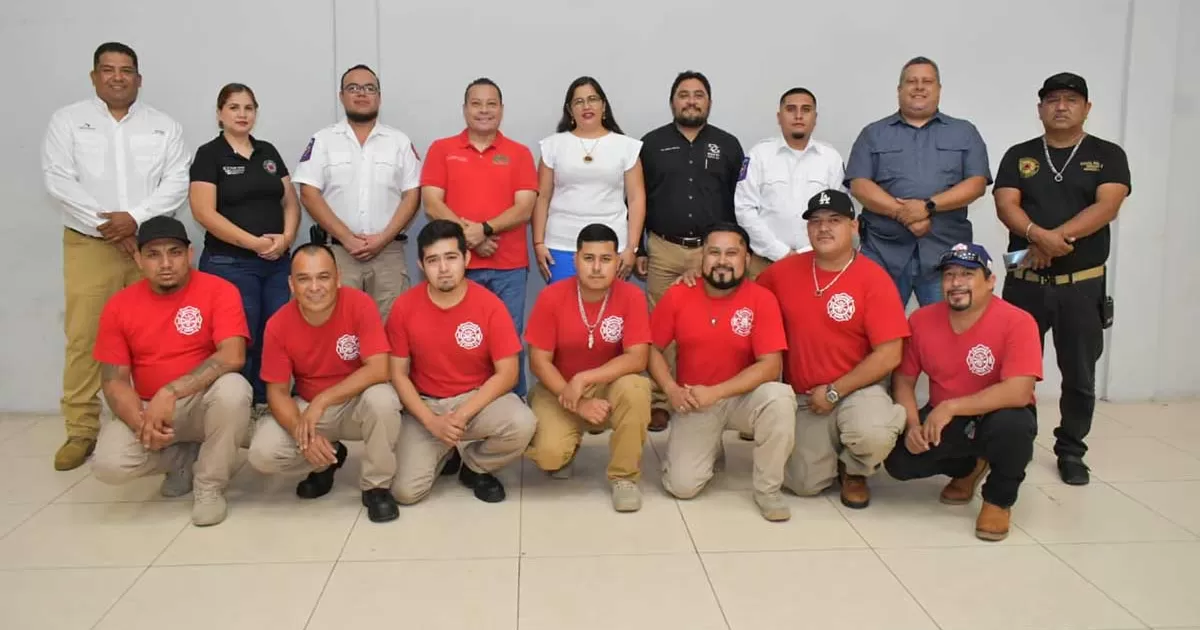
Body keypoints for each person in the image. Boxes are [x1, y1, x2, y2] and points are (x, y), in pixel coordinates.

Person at [42, 41, 190, 470]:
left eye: (126, 70)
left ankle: (160, 421)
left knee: (159, 336)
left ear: (138, 78)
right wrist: (111, 225)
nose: (118, 77)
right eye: (108, 70)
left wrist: (136, 220)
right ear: (94, 77)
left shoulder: (163, 126)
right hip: (90, 244)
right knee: (86, 336)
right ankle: (81, 429)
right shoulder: (68, 121)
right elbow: (58, 180)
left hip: (150, 246)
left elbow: (176, 182)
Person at [993, 72, 1131, 485]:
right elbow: (1005, 204)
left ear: (1086, 108)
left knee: (1080, 375)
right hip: (1024, 284)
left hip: (1082, 286)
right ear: (1040, 109)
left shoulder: (1108, 154)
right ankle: (1015, 443)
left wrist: (1056, 239)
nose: (1061, 106)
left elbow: (1108, 205)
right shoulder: (1019, 155)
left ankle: (1071, 449)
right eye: (1052, 99)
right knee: (1014, 372)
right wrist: (1037, 236)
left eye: (1071, 99)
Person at [91, 216, 252, 526]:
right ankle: (182, 460)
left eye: (174, 252)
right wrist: (141, 423)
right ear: (137, 259)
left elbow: (233, 355)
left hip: (201, 402)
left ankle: (209, 487)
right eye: (153, 254)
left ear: (189, 254)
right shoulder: (119, 305)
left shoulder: (219, 290)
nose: (165, 263)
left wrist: (171, 391)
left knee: (234, 389)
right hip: (150, 407)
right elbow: (113, 380)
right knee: (108, 465)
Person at [757, 190, 909, 509]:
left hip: (857, 390)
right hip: (805, 397)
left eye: (835, 221)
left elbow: (890, 354)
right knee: (803, 485)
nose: (823, 228)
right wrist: (697, 278)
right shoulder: (783, 273)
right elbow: (742, 298)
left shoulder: (874, 279)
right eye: (815, 222)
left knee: (873, 434)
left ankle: (856, 469)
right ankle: (835, 450)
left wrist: (835, 392)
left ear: (853, 228)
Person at [884, 243, 1041, 541]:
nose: (956, 283)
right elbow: (903, 381)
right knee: (899, 463)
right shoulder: (921, 320)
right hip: (948, 418)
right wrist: (913, 425)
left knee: (1014, 427)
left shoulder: (1018, 321)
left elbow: (1019, 392)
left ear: (990, 280)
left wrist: (952, 407)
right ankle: (970, 465)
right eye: (949, 275)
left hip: (999, 413)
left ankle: (998, 500)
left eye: (967, 274)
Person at [650, 222, 797, 521]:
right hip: (695, 400)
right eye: (714, 252)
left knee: (780, 397)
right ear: (702, 258)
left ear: (746, 259)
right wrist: (671, 390)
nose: (722, 260)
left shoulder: (762, 299)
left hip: (743, 398)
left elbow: (771, 365)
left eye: (732, 253)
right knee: (682, 486)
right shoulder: (678, 295)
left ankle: (768, 490)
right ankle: (711, 448)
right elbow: (650, 348)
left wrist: (716, 392)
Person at [248, 244, 403, 523]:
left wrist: (324, 399)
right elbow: (278, 392)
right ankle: (325, 461)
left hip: (356, 403)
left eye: (323, 277)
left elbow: (380, 368)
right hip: (309, 408)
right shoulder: (278, 324)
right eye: (304, 279)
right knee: (263, 453)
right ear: (291, 284)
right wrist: (300, 433)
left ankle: (376, 486)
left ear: (338, 278)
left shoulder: (359, 304)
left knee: (384, 399)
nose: (314, 287)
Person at [385, 220, 536, 504]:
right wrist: (432, 422)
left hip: (477, 402)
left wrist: (461, 415)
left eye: (451, 257)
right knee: (405, 493)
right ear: (421, 264)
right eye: (433, 260)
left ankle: (475, 466)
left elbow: (508, 373)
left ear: (466, 258)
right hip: (426, 406)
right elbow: (398, 374)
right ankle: (445, 449)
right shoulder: (404, 307)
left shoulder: (490, 305)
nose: (443, 268)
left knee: (522, 423)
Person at [635, 70, 745, 432]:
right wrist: (638, 247)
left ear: (709, 102)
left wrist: (729, 251)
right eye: (684, 95)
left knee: (715, 328)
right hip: (664, 249)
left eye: (699, 95)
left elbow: (738, 202)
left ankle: (724, 397)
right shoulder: (650, 145)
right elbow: (635, 199)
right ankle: (660, 400)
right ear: (673, 102)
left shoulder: (728, 145)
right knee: (662, 328)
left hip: (715, 255)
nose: (691, 101)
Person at [421, 78, 539, 397]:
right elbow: (432, 203)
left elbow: (525, 207)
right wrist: (469, 237)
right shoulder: (442, 149)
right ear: (464, 109)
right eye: (476, 103)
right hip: (458, 267)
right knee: (459, 344)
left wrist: (484, 229)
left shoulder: (520, 153)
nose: (484, 110)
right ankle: (458, 417)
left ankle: (514, 419)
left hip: (509, 269)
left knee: (508, 343)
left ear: (501, 110)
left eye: (491, 104)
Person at [525, 224, 653, 512]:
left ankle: (624, 477)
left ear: (618, 262)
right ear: (575, 260)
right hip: (559, 387)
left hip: (609, 386)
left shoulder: (631, 297)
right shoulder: (551, 297)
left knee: (637, 387)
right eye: (588, 258)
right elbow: (538, 361)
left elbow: (637, 358)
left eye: (606, 259)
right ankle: (569, 444)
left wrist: (586, 378)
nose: (596, 268)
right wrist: (578, 401)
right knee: (549, 457)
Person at [189, 83, 300, 415]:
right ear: (220, 113)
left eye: (248, 108)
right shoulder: (209, 155)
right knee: (239, 339)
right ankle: (238, 408)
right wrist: (253, 243)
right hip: (230, 263)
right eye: (234, 107)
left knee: (276, 335)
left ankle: (269, 404)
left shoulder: (267, 151)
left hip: (276, 263)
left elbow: (290, 202)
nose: (242, 114)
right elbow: (203, 212)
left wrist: (286, 238)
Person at [845, 56, 992, 307]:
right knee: (875, 333)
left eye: (927, 81)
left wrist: (927, 207)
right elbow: (859, 184)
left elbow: (977, 183)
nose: (919, 87)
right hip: (882, 252)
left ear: (939, 89)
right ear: (899, 89)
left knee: (948, 332)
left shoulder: (964, 132)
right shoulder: (873, 133)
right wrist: (903, 213)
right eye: (911, 81)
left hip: (946, 255)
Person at [293, 64, 421, 319]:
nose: (361, 94)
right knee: (339, 330)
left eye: (369, 88)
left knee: (392, 331)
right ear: (342, 96)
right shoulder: (323, 140)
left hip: (388, 254)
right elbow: (308, 193)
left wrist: (382, 238)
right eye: (353, 88)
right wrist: (348, 238)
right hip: (339, 254)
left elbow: (413, 195)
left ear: (379, 97)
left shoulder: (399, 142)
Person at [532, 77, 645, 284]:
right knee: (563, 312)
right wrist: (538, 242)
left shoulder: (626, 147)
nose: (586, 106)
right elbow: (542, 197)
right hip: (561, 245)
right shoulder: (552, 146)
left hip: (612, 247)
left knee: (608, 314)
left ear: (603, 105)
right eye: (579, 101)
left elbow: (637, 199)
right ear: (569, 109)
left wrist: (632, 248)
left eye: (592, 99)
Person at [735, 88, 846, 278]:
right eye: (791, 109)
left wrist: (806, 252)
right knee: (761, 308)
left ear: (815, 117)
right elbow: (744, 209)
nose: (798, 116)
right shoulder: (759, 155)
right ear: (779, 117)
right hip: (765, 263)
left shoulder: (831, 158)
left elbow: (840, 213)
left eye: (806, 109)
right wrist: (780, 252)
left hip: (818, 262)